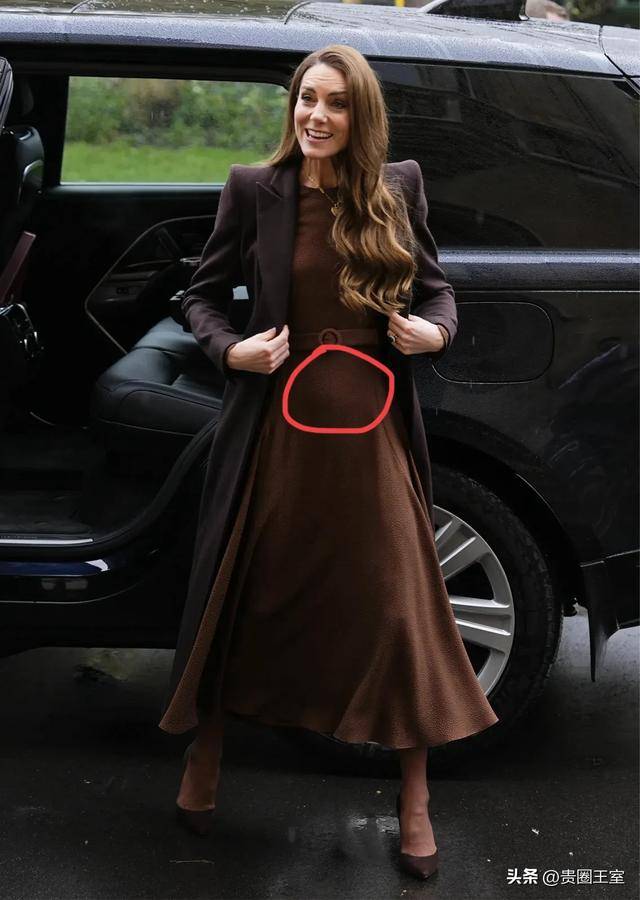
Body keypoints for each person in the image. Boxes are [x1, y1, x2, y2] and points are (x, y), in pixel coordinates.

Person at [158, 43, 499, 880]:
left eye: (336, 103)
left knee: (396, 608)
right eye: (307, 98)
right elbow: (200, 295)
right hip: (278, 427)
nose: (317, 115)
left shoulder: (397, 187)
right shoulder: (255, 188)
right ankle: (206, 753)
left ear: (360, 115)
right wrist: (231, 349)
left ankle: (414, 798)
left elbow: (437, 289)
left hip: (372, 431)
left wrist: (434, 331)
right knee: (251, 595)